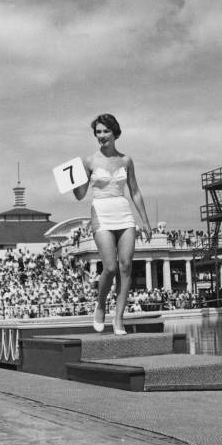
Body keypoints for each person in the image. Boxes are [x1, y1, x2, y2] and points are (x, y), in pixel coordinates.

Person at [74, 113, 152, 335]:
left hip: (124, 212)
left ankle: (118, 319)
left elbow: (135, 191)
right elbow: (80, 195)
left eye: (105, 131)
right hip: (101, 212)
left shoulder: (126, 160)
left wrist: (145, 221)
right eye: (98, 132)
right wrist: (75, 183)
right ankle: (100, 305)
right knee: (109, 266)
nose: (101, 136)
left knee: (126, 266)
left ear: (114, 132)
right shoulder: (88, 161)